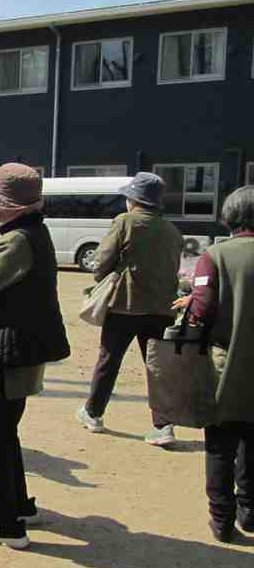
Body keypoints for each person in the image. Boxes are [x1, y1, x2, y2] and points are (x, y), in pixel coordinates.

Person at [0, 164, 71, 549]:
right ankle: (18, 507)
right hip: (19, 351)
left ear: (13, 207)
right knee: (5, 434)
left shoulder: (16, 242)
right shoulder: (33, 233)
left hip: (6, 355)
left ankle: (4, 524)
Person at [76, 173, 183, 446]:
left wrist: (103, 278)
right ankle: (163, 426)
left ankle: (93, 413)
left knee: (109, 360)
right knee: (157, 365)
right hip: (162, 308)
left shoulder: (125, 221)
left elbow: (102, 260)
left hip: (125, 304)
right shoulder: (172, 230)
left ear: (133, 200)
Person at [175, 186, 254, 543]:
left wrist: (190, 305)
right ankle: (250, 513)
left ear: (229, 216)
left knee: (221, 445)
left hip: (226, 367)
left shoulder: (215, 255)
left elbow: (202, 311)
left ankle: (222, 521)